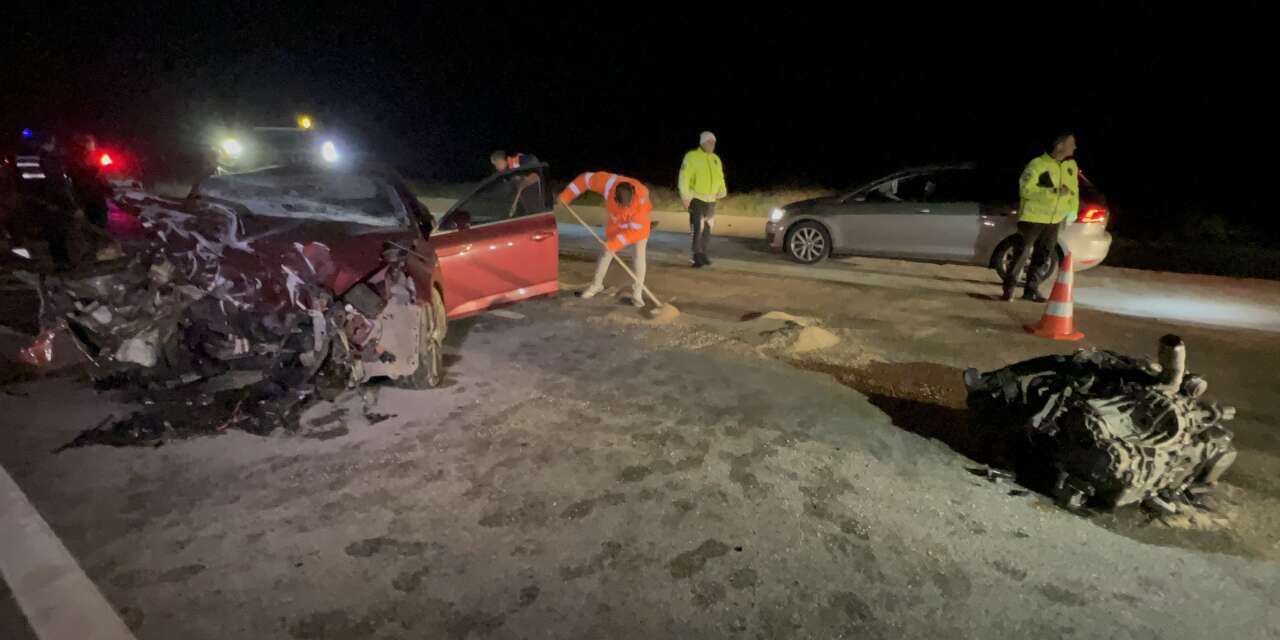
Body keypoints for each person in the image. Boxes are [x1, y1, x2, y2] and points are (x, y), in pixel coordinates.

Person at [1002, 132, 1080, 302]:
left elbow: (1074, 192)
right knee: (1021, 254)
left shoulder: (1071, 166)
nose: (1074, 147)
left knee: (1043, 256)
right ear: (1059, 145)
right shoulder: (1037, 164)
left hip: (1055, 220)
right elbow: (1026, 190)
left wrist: (1072, 212)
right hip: (1033, 218)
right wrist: (1053, 192)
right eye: (1071, 143)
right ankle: (1009, 289)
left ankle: (1031, 290)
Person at [559, 171, 652, 307]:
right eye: (621, 204)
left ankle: (637, 293)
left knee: (638, 255)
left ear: (633, 198)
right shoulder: (608, 183)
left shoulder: (642, 202)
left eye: (626, 205)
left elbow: (633, 233)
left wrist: (614, 244)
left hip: (637, 230)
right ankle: (596, 285)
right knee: (606, 252)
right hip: (617, 225)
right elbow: (585, 179)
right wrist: (566, 196)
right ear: (614, 196)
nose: (624, 207)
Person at [678, 131, 726, 267]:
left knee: (708, 228)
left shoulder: (716, 159)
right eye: (709, 142)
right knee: (697, 227)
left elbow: (720, 176)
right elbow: (684, 177)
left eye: (714, 142)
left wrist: (722, 190)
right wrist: (685, 197)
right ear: (702, 143)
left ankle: (703, 253)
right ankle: (696, 256)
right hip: (696, 199)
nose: (712, 145)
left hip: (711, 200)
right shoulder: (692, 156)